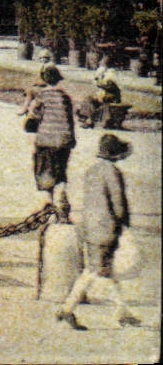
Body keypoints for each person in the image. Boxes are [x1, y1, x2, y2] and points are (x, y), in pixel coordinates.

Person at [57, 134, 141, 330]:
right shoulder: (113, 173)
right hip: (106, 228)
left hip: (89, 227)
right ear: (115, 154)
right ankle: (67, 309)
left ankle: (122, 313)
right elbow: (118, 203)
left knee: (105, 270)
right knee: (96, 271)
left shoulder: (91, 171)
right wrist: (124, 223)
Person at [24, 64, 77, 220]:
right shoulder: (65, 97)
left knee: (44, 171)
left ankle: (47, 203)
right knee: (60, 171)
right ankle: (61, 201)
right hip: (64, 140)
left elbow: (33, 118)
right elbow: (70, 120)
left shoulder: (41, 96)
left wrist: (29, 124)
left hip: (46, 141)